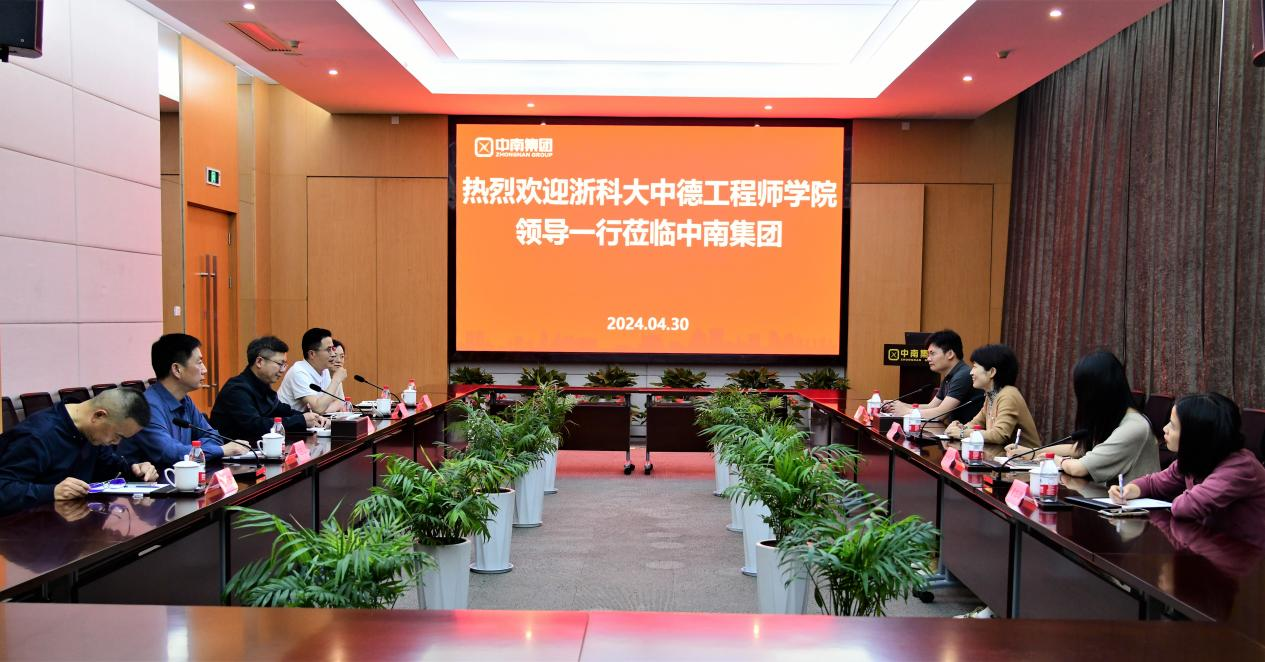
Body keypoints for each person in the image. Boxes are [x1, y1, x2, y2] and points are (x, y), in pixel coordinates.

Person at [1110, 393, 1265, 548]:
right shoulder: (1200, 457)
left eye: (1172, 425)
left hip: (1248, 555)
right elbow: (1154, 483)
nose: (1165, 429)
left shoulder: (1239, 467)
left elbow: (1186, 507)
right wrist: (1130, 490)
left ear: (1195, 434)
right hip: (1212, 546)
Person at [0, 388, 158, 516]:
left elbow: (109, 468)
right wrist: (52, 491)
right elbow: (4, 489)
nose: (117, 442)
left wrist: (136, 471)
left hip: (71, 523)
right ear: (99, 415)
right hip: (25, 532)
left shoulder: (91, 432)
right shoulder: (38, 436)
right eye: (118, 435)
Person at [118, 334, 253, 466]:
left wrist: (192, 450)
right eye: (199, 363)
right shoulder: (147, 407)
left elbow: (214, 437)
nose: (205, 370)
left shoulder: (185, 400)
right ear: (177, 369)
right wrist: (220, 450)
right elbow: (169, 454)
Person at [1028, 350, 1158, 483]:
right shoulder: (1117, 418)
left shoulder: (1134, 427)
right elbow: (1078, 449)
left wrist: (1054, 459)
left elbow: (1079, 468)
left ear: (1095, 395)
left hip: (1132, 497)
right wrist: (1032, 453)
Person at [210, 336, 327, 441]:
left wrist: (314, 418)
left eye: (284, 365)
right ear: (259, 362)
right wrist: (301, 420)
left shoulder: (262, 385)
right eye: (280, 364)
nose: (283, 370)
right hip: (232, 454)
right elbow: (256, 426)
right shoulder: (237, 389)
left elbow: (282, 410)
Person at [946, 344, 1040, 448]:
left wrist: (962, 433)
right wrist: (960, 428)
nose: (971, 373)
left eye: (975, 367)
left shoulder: (1008, 395)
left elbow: (999, 435)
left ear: (992, 372)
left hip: (1024, 457)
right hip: (1002, 455)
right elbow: (976, 423)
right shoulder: (991, 395)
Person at [885, 329, 983, 423]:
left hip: (967, 432)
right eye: (928, 354)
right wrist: (901, 406)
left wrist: (906, 411)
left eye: (932, 353)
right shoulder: (950, 376)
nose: (928, 358)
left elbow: (940, 414)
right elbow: (931, 406)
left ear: (950, 354)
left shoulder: (963, 375)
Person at [276, 327, 347, 414]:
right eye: (328, 350)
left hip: (308, 421)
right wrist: (336, 380)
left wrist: (323, 408)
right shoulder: (299, 372)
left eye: (333, 349)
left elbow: (337, 401)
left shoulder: (324, 370)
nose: (333, 354)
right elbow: (318, 408)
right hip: (285, 421)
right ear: (312, 354)